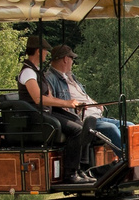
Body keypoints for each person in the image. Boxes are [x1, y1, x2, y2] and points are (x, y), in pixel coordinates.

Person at [17, 39, 93, 185]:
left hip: (45, 112)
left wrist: (69, 107)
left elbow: (49, 97)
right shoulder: (28, 72)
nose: (47, 55)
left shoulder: (36, 71)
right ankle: (70, 173)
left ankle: (81, 168)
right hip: (35, 116)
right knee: (76, 130)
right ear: (39, 51)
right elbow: (39, 99)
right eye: (46, 51)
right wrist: (66, 103)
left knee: (81, 124)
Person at [47, 43, 127, 154]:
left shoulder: (70, 76)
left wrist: (95, 103)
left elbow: (83, 95)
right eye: (72, 59)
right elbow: (52, 101)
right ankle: (128, 159)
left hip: (97, 115)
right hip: (84, 119)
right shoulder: (51, 78)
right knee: (111, 128)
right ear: (65, 59)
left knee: (129, 126)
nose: (72, 62)